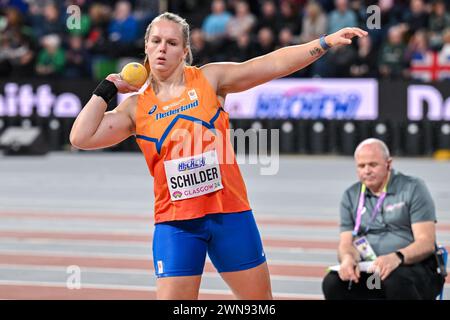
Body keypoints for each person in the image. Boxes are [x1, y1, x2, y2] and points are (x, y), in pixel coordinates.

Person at [70, 12, 367, 300]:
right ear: (146, 47)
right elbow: (81, 137)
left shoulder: (209, 79)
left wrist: (325, 42)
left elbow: (271, 64)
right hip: (177, 224)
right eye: (156, 41)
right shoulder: (135, 108)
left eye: (172, 43)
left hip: (230, 215)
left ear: (185, 51)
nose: (162, 48)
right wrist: (107, 88)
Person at [322, 138, 445, 300]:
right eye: (361, 166)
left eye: (373, 165)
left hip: (413, 268)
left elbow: (426, 242)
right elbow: (346, 243)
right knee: (332, 282)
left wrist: (396, 257)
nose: (367, 170)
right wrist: (347, 259)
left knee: (394, 282)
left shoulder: (413, 188)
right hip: (372, 271)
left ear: (388, 163)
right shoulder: (351, 196)